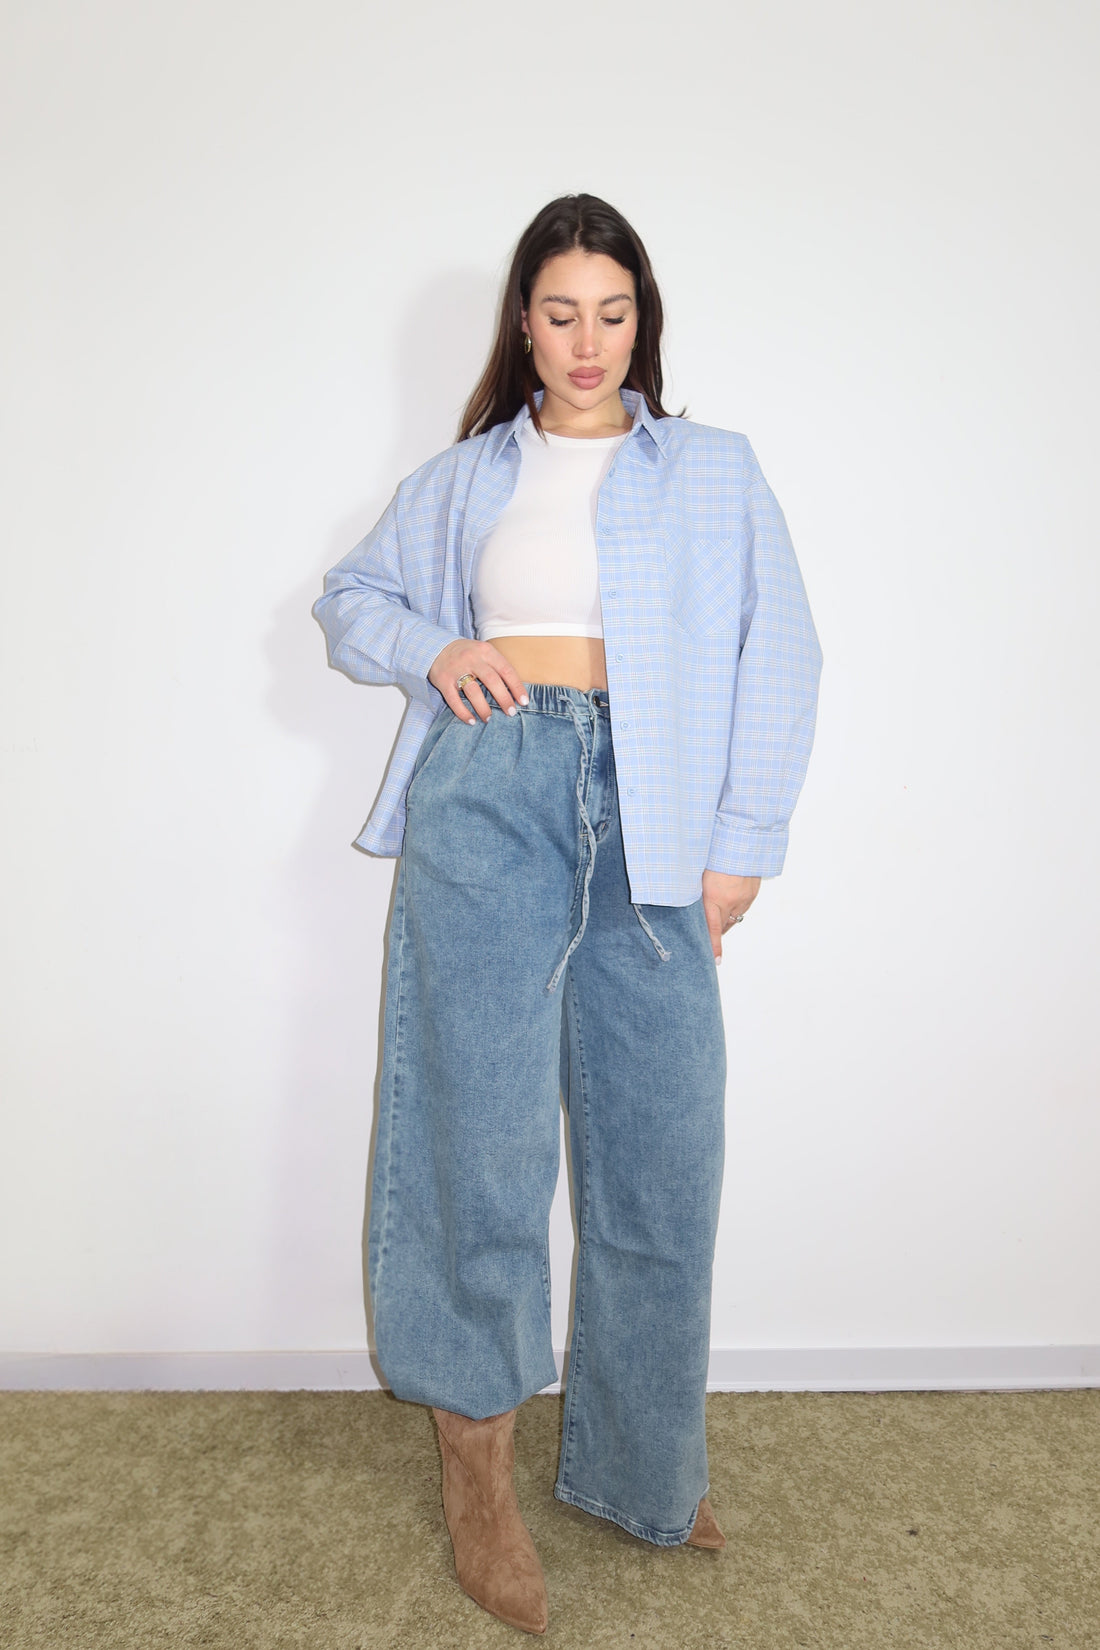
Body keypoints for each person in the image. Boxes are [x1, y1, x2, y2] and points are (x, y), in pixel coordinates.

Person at [313, 193, 823, 1636]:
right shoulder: (465, 476)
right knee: (473, 1133)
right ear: (524, 327)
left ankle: (642, 1462)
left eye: (613, 312)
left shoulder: (714, 469)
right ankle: (477, 1464)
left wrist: (741, 846)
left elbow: (781, 649)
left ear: (640, 322)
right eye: (560, 313)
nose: (587, 340)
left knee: (660, 1144)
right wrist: (435, 648)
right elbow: (349, 601)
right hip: (492, 788)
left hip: (656, 815)